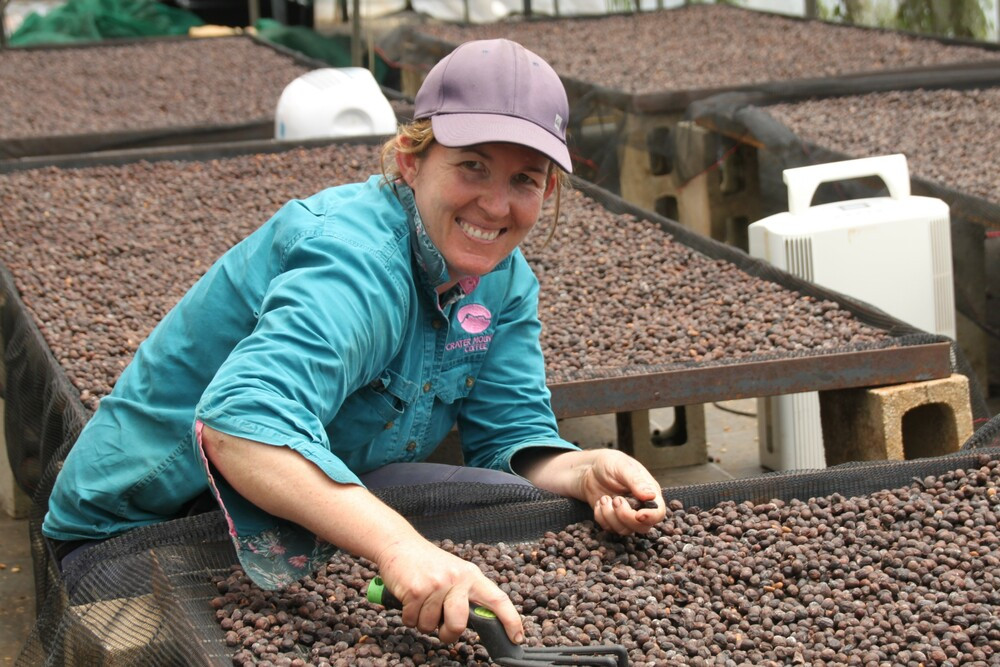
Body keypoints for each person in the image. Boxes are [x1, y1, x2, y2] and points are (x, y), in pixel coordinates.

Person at [41, 38, 666, 647]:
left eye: (525, 179)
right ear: (410, 161)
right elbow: (241, 426)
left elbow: (510, 435)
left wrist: (586, 470)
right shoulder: (357, 262)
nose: (496, 204)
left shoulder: (502, 278)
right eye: (471, 165)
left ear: (547, 191)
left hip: (295, 504)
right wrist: (399, 548)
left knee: (512, 505)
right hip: (145, 525)